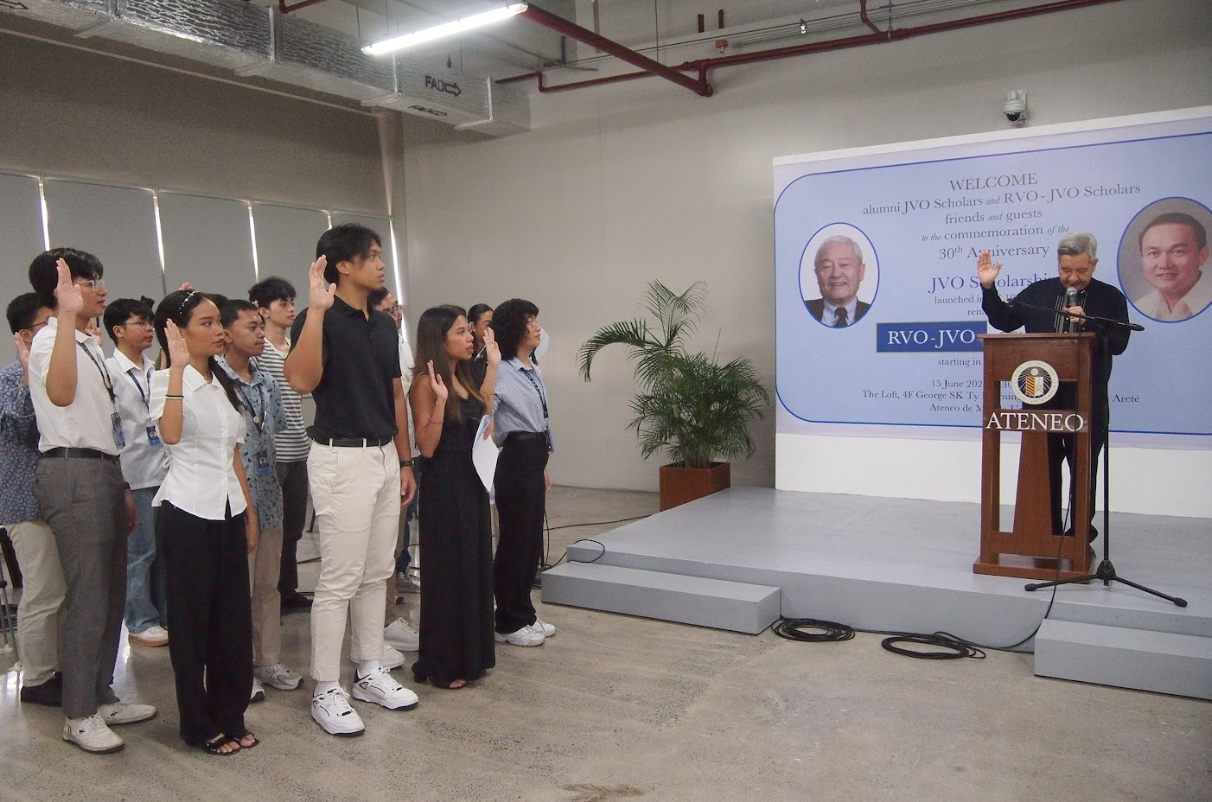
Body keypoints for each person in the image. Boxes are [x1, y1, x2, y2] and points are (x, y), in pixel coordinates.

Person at [285, 223, 419, 736]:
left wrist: (405, 462)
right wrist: (316, 311)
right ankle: (325, 686)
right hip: (340, 457)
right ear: (342, 265)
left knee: (376, 572)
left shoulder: (383, 325)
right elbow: (300, 381)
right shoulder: (317, 319)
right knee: (338, 579)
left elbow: (396, 397)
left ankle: (369, 670)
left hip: (385, 457)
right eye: (372, 256)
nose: (381, 264)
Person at [27, 248, 155, 754]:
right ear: (58, 289)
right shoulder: (48, 340)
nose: (99, 288)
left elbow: (106, 425)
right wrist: (61, 314)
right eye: (85, 281)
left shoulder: (86, 343)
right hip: (70, 469)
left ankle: (100, 695)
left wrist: (121, 484)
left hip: (102, 468)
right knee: (87, 595)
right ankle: (77, 713)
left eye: (98, 278)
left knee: (110, 593)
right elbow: (60, 395)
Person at [150, 290, 259, 755]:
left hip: (228, 511)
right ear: (177, 331)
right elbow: (170, 434)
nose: (219, 330)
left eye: (219, 322)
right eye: (207, 323)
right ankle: (196, 723)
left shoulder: (222, 381)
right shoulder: (165, 380)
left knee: (232, 623)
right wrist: (175, 368)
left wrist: (250, 511)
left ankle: (231, 714)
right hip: (187, 513)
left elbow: (232, 451)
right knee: (193, 626)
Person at [978, 232, 1131, 541]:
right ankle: (1043, 532)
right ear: (1058, 265)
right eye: (1065, 270)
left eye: (1081, 271)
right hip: (1041, 398)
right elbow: (1005, 321)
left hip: (1086, 399)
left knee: (1083, 468)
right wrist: (988, 287)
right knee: (1042, 468)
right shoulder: (1038, 292)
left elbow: (1118, 343)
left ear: (1094, 264)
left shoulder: (1110, 297)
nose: (1072, 278)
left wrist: (1088, 324)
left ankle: (1077, 537)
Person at [218, 299, 304, 702]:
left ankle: (267, 659)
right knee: (237, 587)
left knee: (268, 585)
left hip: (269, 493)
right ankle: (237, 667)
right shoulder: (213, 382)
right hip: (233, 499)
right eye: (250, 327)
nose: (258, 334)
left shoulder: (267, 382)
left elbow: (277, 433)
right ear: (225, 332)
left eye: (259, 326)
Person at [409, 305, 499, 688]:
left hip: (473, 481)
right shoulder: (424, 384)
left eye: (469, 331)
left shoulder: (465, 373)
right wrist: (442, 401)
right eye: (461, 332)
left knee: (473, 565)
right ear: (439, 339)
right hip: (444, 484)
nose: (471, 337)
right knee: (448, 571)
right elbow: (426, 447)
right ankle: (443, 661)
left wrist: (493, 365)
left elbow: (486, 410)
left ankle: (471, 655)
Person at [1, 293, 64, 706]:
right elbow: (24, 426)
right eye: (47, 323)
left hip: (59, 498)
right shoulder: (11, 378)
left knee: (63, 591)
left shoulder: (58, 372)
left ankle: (59, 667)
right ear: (24, 335)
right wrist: (27, 372)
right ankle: (38, 679)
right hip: (26, 503)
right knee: (43, 592)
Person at [103, 298, 170, 649]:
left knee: (163, 551)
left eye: (149, 323)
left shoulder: (154, 369)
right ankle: (140, 619)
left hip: (164, 470)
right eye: (140, 323)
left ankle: (162, 614)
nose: (148, 329)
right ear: (118, 331)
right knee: (140, 551)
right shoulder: (109, 371)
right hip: (134, 472)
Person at [489, 299, 555, 647]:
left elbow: (542, 419)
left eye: (537, 319)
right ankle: (508, 620)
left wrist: (544, 463)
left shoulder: (532, 368)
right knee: (515, 541)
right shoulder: (502, 370)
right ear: (515, 328)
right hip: (514, 458)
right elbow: (487, 416)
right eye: (529, 320)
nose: (536, 326)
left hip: (534, 457)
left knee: (531, 543)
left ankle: (524, 612)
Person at [248, 276, 312, 611]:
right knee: (269, 528)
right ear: (262, 310)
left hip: (299, 447)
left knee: (293, 528)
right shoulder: (258, 352)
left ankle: (288, 590)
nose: (290, 309)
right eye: (282, 303)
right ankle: (266, 597)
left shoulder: (297, 349)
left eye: (292, 302)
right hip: (270, 453)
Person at [369, 287, 420, 654]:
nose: (396, 315)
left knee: (396, 542)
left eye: (397, 308)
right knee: (377, 551)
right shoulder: (373, 345)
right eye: (387, 311)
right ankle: (378, 626)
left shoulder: (400, 343)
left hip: (405, 451)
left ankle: (386, 619)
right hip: (378, 452)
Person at [1133, 212, 1211, 321]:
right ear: (1142, 258)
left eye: (1178, 251)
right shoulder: (1140, 307)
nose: (1164, 264)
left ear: (1202, 255)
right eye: (1154, 253)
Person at [804, 236, 870, 327]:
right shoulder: (801, 311)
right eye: (827, 266)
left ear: (861, 271)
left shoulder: (876, 313)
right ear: (817, 274)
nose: (836, 274)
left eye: (844, 265)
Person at [467, 303, 493, 384]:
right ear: (473, 326)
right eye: (487, 324)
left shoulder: (496, 352)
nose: (492, 328)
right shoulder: (467, 354)